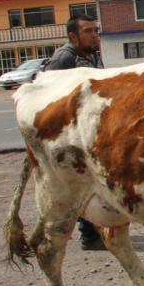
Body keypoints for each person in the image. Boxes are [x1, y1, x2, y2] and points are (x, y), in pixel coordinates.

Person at [40, 14, 106, 251]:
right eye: (88, 31)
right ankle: (88, 235)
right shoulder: (64, 59)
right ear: (73, 36)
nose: (94, 35)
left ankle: (95, 231)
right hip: (70, 133)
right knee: (80, 183)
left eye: (96, 30)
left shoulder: (90, 56)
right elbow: (50, 96)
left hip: (88, 130)